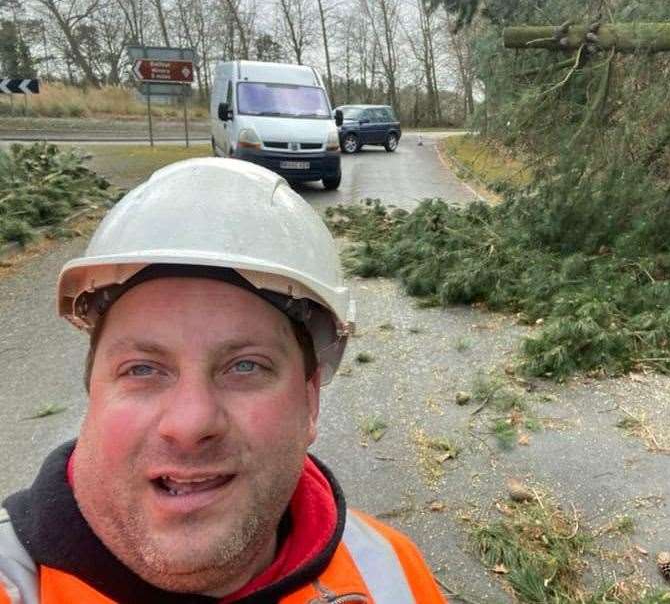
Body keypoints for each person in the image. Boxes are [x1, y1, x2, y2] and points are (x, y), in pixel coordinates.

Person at [0, 159, 445, 603]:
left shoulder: (392, 575)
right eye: (142, 369)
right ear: (93, 391)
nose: (191, 424)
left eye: (246, 366)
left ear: (309, 402)